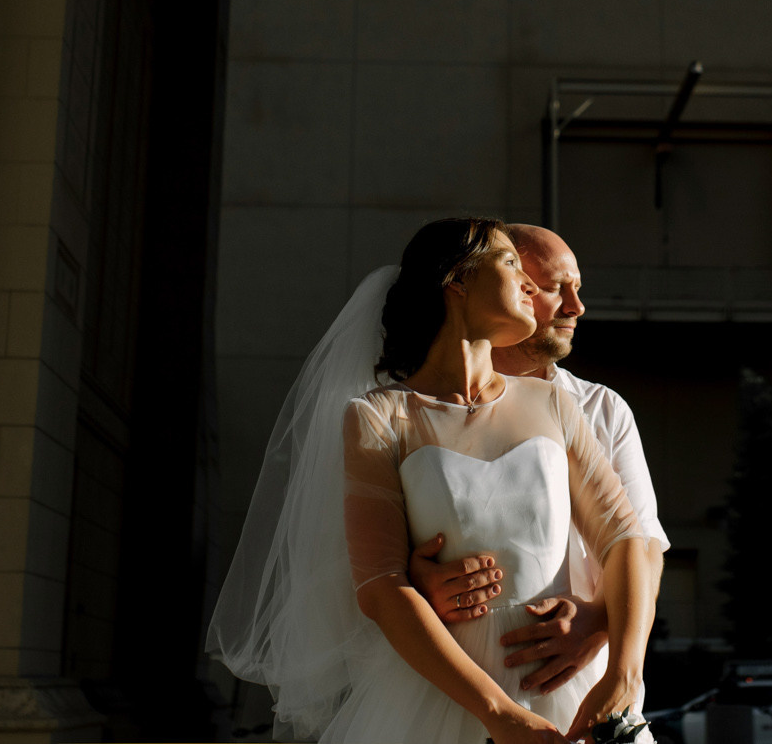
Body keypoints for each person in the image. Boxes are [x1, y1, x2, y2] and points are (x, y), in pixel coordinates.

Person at [207, 218, 656, 744]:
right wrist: (499, 713)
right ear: (457, 280)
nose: (531, 288)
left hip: (564, 685)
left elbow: (628, 537)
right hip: (441, 693)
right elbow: (380, 587)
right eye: (512, 264)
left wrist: (623, 674)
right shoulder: (378, 418)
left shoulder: (558, 403)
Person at [408, 225, 668, 703]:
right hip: (448, 683)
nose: (576, 306)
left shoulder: (601, 409)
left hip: (577, 683)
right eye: (554, 288)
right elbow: (365, 559)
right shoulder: (402, 410)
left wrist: (599, 622)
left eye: (578, 288)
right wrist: (416, 579)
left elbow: (644, 543)